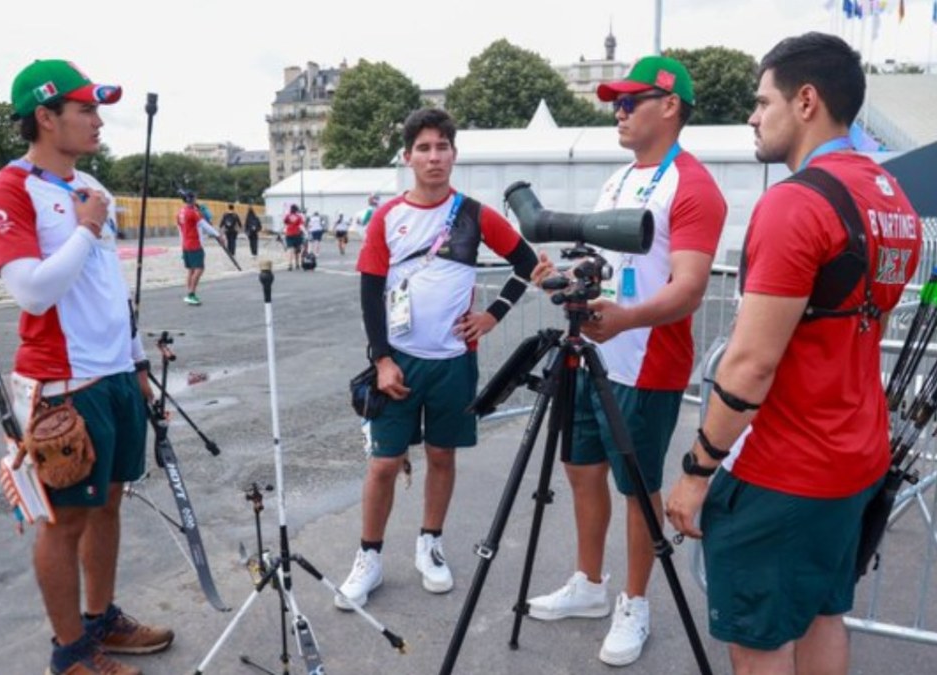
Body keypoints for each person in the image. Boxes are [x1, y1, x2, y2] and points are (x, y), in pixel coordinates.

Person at [665, 33, 922, 675]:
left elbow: (751, 364)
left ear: (805, 101)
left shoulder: (794, 202)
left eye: (761, 101)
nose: (752, 116)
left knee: (760, 644)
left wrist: (696, 472)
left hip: (787, 468)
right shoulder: (892, 198)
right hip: (856, 455)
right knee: (820, 615)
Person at [525, 54, 727, 667]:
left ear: (669, 106)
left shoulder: (692, 186)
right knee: (581, 470)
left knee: (638, 489)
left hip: (647, 362)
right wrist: (561, 278)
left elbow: (689, 287)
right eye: (615, 101)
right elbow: (607, 267)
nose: (617, 110)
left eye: (629, 100)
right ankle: (590, 583)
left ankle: (635, 602)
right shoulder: (617, 180)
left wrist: (627, 319)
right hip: (593, 356)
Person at [0, 58, 173, 675]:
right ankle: (70, 656)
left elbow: (108, 288)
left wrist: (137, 360)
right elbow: (33, 292)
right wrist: (85, 230)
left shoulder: (91, 187)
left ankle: (102, 619)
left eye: (97, 108)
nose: (98, 120)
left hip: (113, 374)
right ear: (45, 116)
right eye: (85, 109)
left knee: (109, 503)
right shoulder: (7, 190)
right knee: (63, 522)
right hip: (62, 383)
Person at [336, 108, 539, 610]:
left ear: (453, 154)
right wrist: (381, 360)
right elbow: (369, 294)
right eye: (423, 148)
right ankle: (369, 557)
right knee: (384, 464)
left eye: (442, 147)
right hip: (401, 362)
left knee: (442, 457)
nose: (433, 156)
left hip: (454, 362)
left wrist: (493, 315)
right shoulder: (387, 216)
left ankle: (430, 544)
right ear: (408, 157)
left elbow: (527, 264)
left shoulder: (474, 214)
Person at [176, 192, 225, 305]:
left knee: (191, 270)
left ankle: (189, 292)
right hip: (195, 244)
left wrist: (182, 245)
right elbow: (205, 225)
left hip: (186, 244)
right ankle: (191, 294)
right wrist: (218, 236)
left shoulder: (180, 213)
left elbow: (180, 230)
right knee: (199, 269)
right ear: (192, 200)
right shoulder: (193, 213)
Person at [282, 204, 305, 271]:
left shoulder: (287, 216)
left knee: (290, 249)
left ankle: (290, 264)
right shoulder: (299, 217)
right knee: (297, 249)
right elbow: (301, 225)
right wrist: (305, 233)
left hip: (289, 234)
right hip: (297, 234)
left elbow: (285, 223)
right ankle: (297, 263)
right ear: (296, 210)